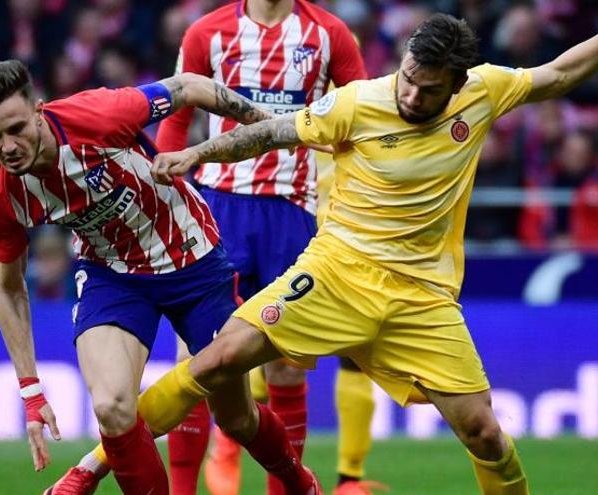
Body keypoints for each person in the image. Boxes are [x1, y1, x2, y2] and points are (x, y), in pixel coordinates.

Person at [143, 2, 598, 494]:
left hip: (422, 298)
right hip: (336, 272)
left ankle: (347, 475)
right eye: (408, 79)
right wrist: (198, 154)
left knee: (484, 432)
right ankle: (102, 464)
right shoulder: (359, 101)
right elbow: (269, 133)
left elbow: (560, 73)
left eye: (428, 90)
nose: (410, 94)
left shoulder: (484, 91)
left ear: (458, 85)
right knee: (215, 358)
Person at [52, 1, 377, 494]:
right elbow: (178, 118)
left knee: (285, 367)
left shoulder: (329, 33)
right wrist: (164, 183)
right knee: (197, 364)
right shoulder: (209, 32)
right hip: (219, 207)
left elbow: (361, 115)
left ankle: (288, 488)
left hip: (292, 208)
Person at [0, 59, 321, 495]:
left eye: (16, 128)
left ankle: (298, 483)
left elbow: (188, 86)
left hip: (195, 265)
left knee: (236, 419)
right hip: (113, 275)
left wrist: (271, 125)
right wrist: (30, 391)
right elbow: (9, 288)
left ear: (39, 110)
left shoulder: (96, 116)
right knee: (112, 407)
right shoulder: (0, 195)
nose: (9, 147)